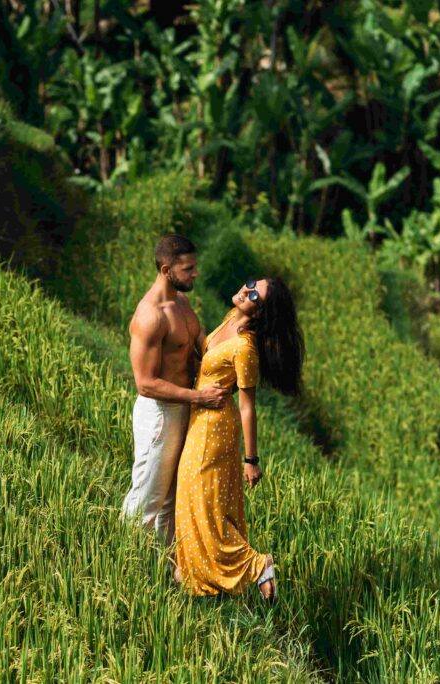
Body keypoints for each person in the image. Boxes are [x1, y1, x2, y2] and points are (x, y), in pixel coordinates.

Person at [175, 277, 304, 603]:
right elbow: (207, 355)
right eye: (250, 283)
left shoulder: (246, 348)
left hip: (215, 429)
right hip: (200, 416)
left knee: (203, 503)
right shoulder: (230, 320)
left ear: (260, 312)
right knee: (195, 499)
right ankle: (191, 572)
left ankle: (257, 566)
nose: (246, 290)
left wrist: (252, 460)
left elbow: (248, 407)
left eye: (254, 293)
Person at [121, 234, 232, 546]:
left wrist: (240, 332)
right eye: (188, 269)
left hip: (185, 407)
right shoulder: (150, 315)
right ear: (167, 271)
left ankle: (166, 573)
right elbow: (145, 383)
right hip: (160, 415)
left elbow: (203, 347)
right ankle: (125, 565)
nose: (195, 273)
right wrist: (200, 397)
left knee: (173, 500)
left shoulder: (181, 302)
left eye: (194, 266)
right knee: (147, 497)